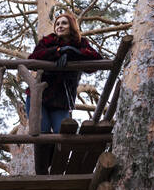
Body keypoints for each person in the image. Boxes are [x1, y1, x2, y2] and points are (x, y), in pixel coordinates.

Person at [26, 12, 102, 174]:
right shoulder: (48, 41)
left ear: (72, 26)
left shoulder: (81, 43)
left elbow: (96, 61)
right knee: (42, 133)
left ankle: (57, 168)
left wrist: (73, 52)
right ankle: (42, 172)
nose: (60, 26)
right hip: (40, 97)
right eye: (58, 23)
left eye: (64, 23)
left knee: (64, 134)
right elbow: (34, 57)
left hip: (61, 101)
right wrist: (59, 51)